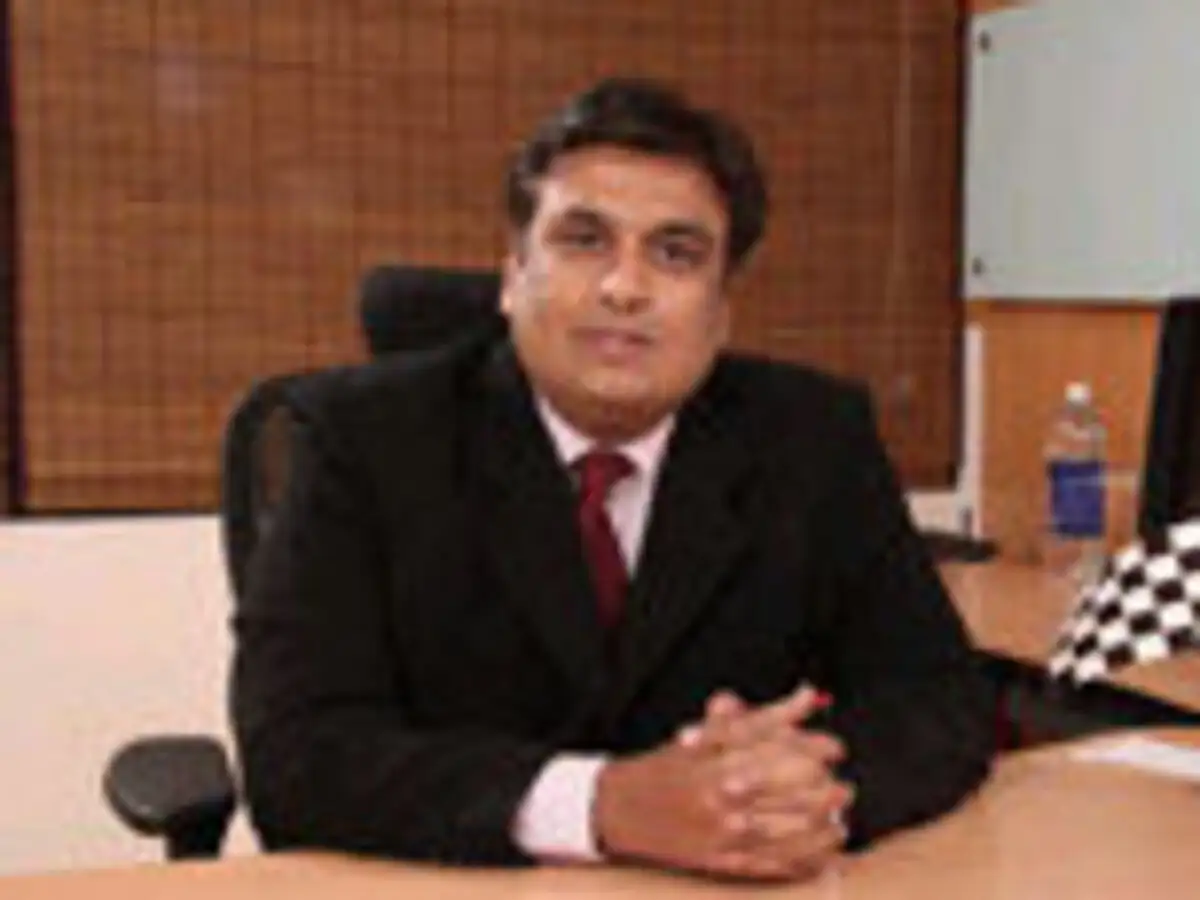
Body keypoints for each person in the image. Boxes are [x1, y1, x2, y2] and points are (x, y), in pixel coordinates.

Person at [232, 77, 994, 882]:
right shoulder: (362, 438)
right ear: (512, 275)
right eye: (584, 240)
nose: (625, 288)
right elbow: (297, 757)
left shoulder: (813, 436)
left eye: (675, 253)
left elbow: (939, 697)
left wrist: (805, 796)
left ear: (721, 311)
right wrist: (600, 804)